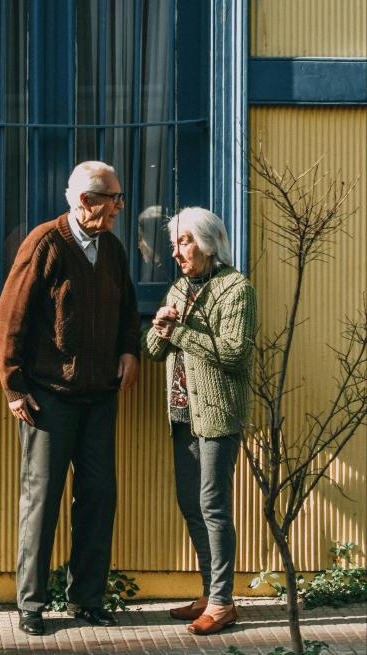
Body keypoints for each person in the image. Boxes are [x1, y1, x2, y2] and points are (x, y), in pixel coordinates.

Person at [0, 161, 141, 636]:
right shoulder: (44, 243)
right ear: (87, 201)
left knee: (99, 497)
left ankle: (87, 599)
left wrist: (128, 351)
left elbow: (127, 307)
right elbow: (10, 317)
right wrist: (14, 386)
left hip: (99, 394)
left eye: (118, 198)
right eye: (114, 198)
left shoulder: (111, 248)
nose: (120, 207)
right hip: (48, 397)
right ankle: (32, 604)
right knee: (43, 499)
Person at [144, 207, 256, 635]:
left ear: (207, 243)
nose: (176, 252)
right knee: (190, 504)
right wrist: (160, 326)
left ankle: (225, 602)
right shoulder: (178, 288)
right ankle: (210, 593)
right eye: (174, 244)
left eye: (184, 242)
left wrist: (181, 333)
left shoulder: (235, 289)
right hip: (181, 413)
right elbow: (154, 350)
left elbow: (234, 353)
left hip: (217, 414)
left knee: (213, 505)